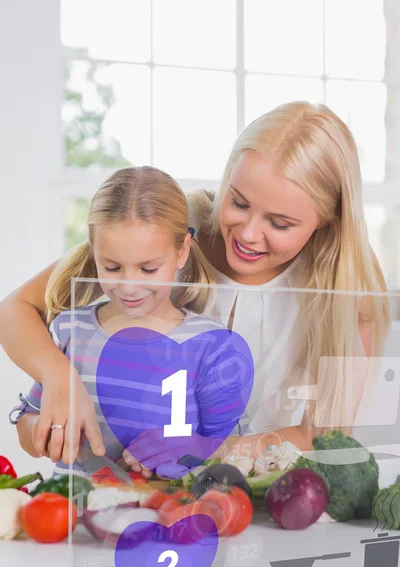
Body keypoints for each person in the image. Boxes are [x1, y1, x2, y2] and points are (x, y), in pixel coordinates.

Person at [1, 101, 389, 466]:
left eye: (279, 223)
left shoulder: (347, 291)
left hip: (257, 500)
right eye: (238, 202)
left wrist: (216, 449)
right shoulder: (169, 231)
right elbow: (14, 309)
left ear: (327, 220)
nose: (249, 234)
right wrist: (59, 377)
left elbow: (325, 435)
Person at [11, 166, 254, 476]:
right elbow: (27, 422)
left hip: (170, 515)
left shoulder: (210, 347)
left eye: (148, 269)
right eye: (112, 267)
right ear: (93, 249)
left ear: (182, 251)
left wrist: (195, 447)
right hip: (75, 517)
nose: (129, 286)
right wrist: (44, 434)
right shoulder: (69, 331)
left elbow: (235, 448)